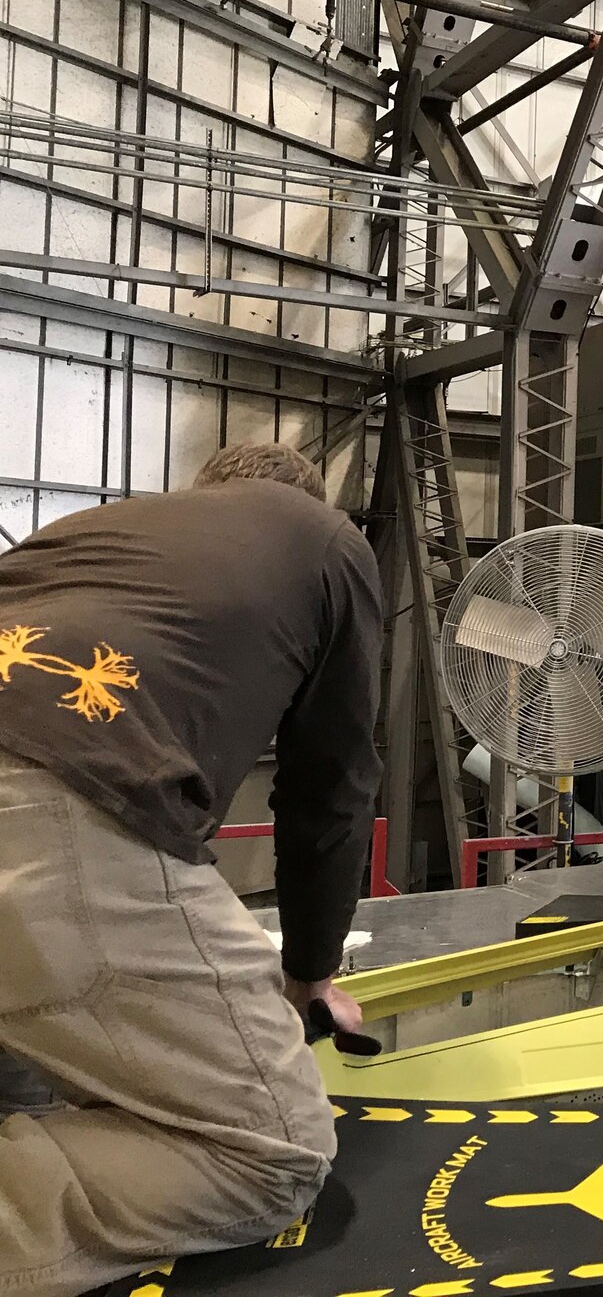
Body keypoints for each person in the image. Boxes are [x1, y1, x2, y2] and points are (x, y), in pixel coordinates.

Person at [0, 442, 383, 1297]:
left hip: (33, 799)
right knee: (271, 1154)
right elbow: (332, 786)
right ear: (311, 501)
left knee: (24, 1081)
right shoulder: (325, 541)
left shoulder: (92, 530)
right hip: (49, 790)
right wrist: (310, 975)